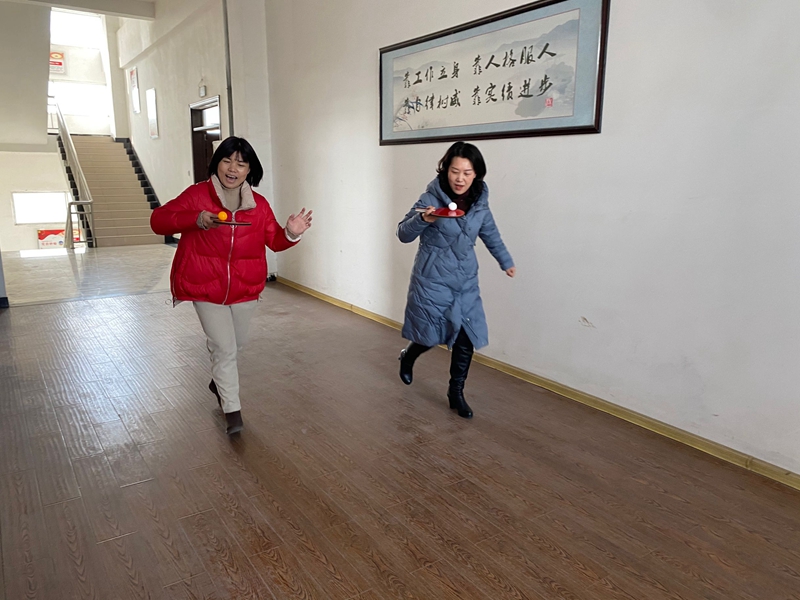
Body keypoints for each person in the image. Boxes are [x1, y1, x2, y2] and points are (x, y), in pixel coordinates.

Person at [150, 136, 312, 434]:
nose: (232, 169)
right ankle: (232, 411)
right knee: (224, 348)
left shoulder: (259, 206)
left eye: (241, 163)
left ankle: (218, 380)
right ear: (217, 164)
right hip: (204, 285)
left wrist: (291, 233)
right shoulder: (197, 195)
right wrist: (196, 219)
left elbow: (275, 241)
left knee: (235, 344)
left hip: (245, 288)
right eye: (227, 161)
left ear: (250, 170)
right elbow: (158, 221)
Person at [396, 141, 515, 419]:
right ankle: (408, 355)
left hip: (465, 281)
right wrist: (424, 219)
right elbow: (403, 233)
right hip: (432, 279)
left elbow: (491, 234)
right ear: (445, 170)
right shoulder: (430, 198)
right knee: (430, 334)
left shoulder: (480, 203)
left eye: (467, 173)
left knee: (466, 337)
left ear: (476, 174)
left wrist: (506, 262)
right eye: (454, 171)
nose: (460, 178)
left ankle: (456, 392)